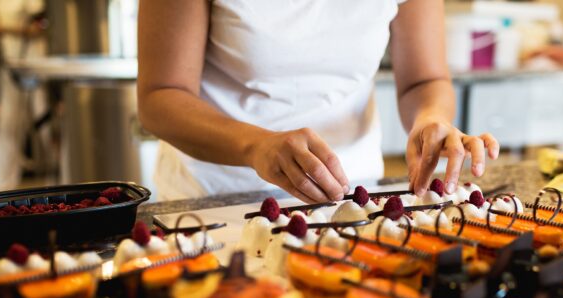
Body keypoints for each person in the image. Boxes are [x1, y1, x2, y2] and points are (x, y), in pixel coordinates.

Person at [138, 0, 499, 203]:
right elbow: (160, 97)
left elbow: (425, 80)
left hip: (355, 198)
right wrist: (255, 146)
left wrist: (429, 118)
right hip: (217, 197)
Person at [0, 0, 48, 193]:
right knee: (8, 127)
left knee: (44, 124)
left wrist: (2, 29)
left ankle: (60, 180)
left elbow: (40, 27)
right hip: (10, 67)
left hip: (35, 67)